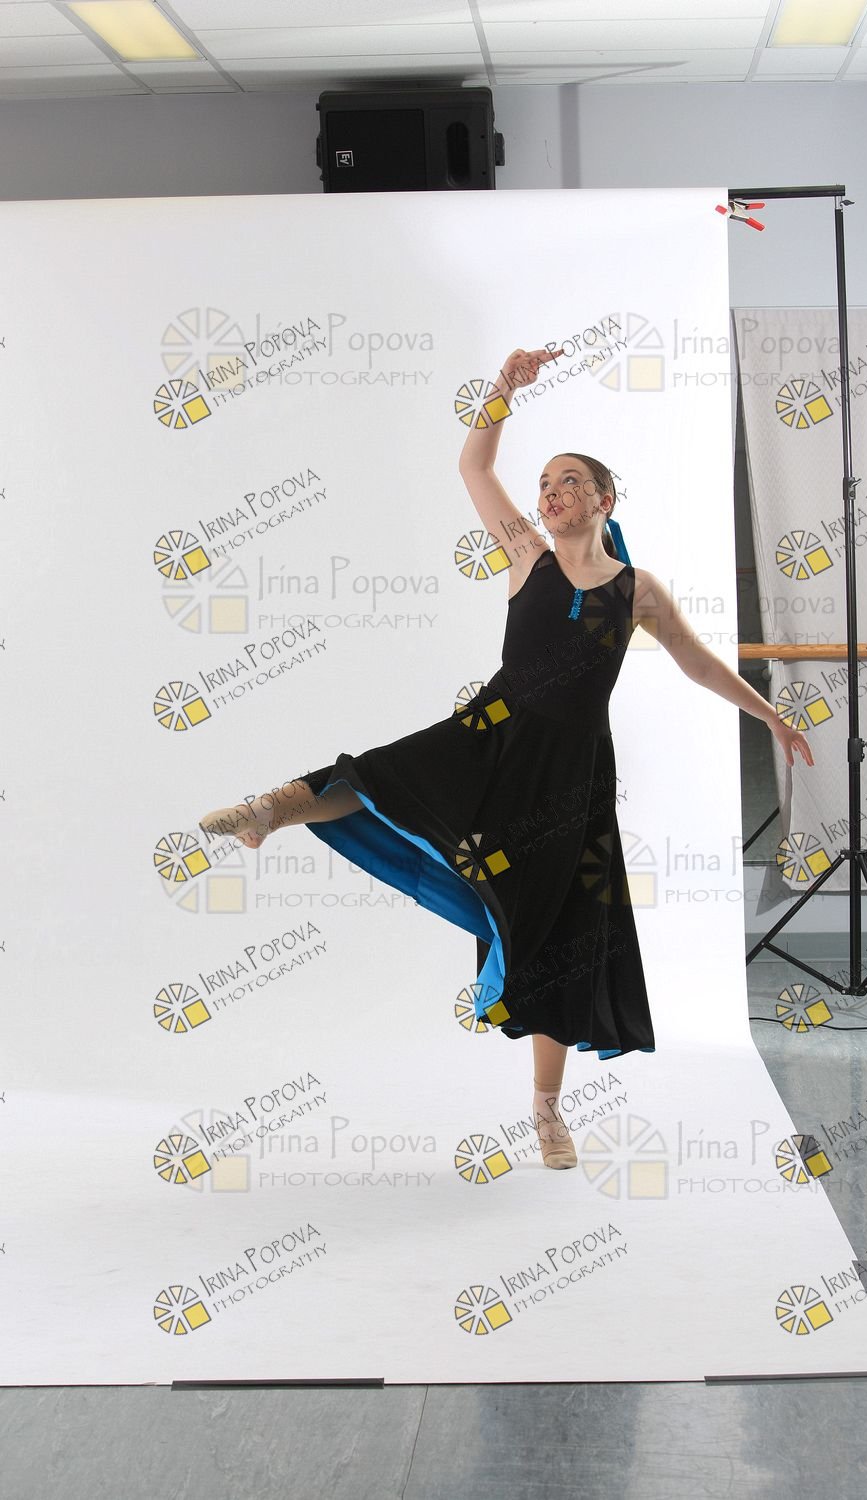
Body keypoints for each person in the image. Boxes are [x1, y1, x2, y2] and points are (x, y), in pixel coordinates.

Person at [200, 345, 814, 1171]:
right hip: (493, 730)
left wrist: (771, 716)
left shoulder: (636, 590)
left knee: (561, 932)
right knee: (381, 776)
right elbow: (474, 464)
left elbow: (699, 664)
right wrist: (503, 390)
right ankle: (267, 810)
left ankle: (548, 1114)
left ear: (603, 500)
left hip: (573, 778)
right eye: (545, 483)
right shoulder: (526, 554)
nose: (550, 492)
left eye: (569, 482)